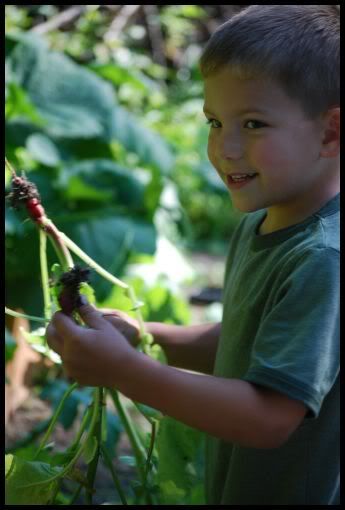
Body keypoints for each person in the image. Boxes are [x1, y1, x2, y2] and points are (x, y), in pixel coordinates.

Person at [46, 4, 340, 505]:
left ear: (331, 132)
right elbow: (250, 344)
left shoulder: (323, 259)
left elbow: (269, 418)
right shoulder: (260, 224)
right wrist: (145, 337)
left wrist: (125, 371)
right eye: (213, 122)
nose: (224, 148)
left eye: (252, 124)